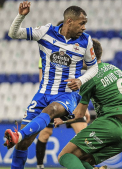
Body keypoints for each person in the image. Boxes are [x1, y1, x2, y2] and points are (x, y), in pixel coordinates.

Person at [4, 1, 98, 169]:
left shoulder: (86, 41)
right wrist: (21, 16)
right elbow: (14, 33)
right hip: (43, 94)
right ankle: (21, 138)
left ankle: (19, 135)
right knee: (23, 144)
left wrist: (81, 80)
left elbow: (94, 67)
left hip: (67, 95)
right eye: (82, 23)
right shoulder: (46, 32)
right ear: (69, 21)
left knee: (53, 110)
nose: (84, 27)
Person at [54, 39, 122, 169]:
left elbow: (79, 114)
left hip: (108, 125)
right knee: (83, 161)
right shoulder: (114, 69)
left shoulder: (88, 78)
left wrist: (63, 119)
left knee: (65, 156)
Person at [35, 21, 90, 169]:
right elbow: (43, 81)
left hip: (71, 99)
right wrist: (56, 107)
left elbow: (81, 81)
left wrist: (84, 108)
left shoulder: (76, 53)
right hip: (52, 99)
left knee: (83, 132)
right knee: (45, 134)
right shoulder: (48, 53)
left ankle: (88, 164)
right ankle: (39, 166)